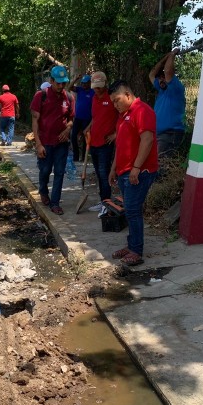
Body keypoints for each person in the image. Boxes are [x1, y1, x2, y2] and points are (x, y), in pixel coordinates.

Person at [108, 79, 158, 267]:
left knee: (133, 210)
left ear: (128, 95)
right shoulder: (123, 115)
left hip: (139, 171)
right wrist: (113, 168)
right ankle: (131, 246)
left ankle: (136, 250)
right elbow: (120, 145)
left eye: (117, 100)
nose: (115, 105)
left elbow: (147, 141)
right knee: (129, 210)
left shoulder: (142, 111)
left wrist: (136, 168)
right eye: (112, 101)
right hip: (124, 171)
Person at [30, 66, 74, 216]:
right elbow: (35, 121)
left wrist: (67, 129)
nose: (61, 86)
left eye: (63, 83)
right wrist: (38, 144)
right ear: (51, 81)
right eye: (58, 83)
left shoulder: (68, 97)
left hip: (61, 143)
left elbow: (71, 119)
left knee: (60, 173)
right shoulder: (40, 96)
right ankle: (43, 190)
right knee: (45, 170)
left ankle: (55, 203)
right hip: (45, 142)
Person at [82, 71, 117, 211]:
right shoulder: (94, 99)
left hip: (105, 143)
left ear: (105, 84)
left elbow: (122, 117)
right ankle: (103, 201)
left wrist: (115, 134)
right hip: (93, 141)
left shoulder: (112, 97)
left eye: (99, 87)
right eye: (95, 87)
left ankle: (107, 202)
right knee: (98, 172)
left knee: (104, 173)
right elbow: (95, 117)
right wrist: (88, 127)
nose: (96, 90)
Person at [148, 48, 186, 158]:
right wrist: (166, 57)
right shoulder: (161, 90)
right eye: (159, 78)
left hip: (170, 134)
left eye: (163, 77)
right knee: (157, 164)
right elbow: (151, 74)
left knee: (162, 165)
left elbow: (168, 71)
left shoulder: (175, 88)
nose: (161, 80)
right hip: (160, 134)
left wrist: (172, 55)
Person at [69, 73, 94, 164]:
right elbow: (69, 87)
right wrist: (75, 79)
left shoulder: (93, 92)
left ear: (89, 83)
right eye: (82, 83)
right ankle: (76, 156)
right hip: (78, 118)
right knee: (73, 136)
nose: (83, 85)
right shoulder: (79, 90)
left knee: (85, 138)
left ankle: (84, 157)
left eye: (85, 83)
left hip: (87, 119)